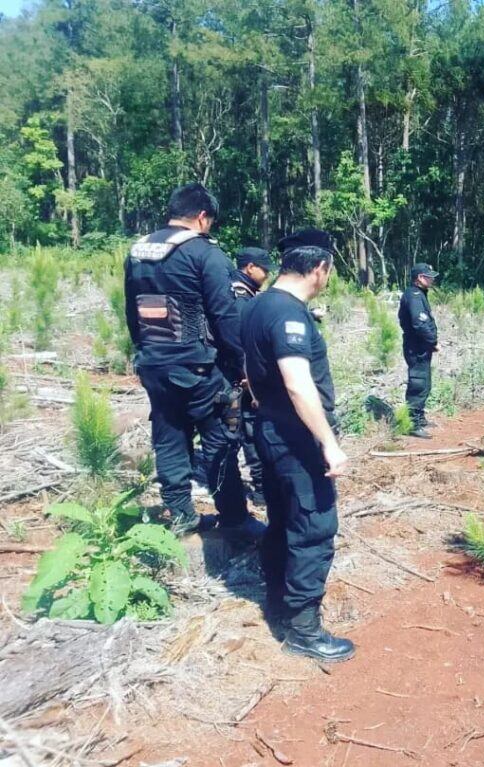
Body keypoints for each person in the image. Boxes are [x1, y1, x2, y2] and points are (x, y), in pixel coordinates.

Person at [124, 182, 264, 540]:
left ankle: (181, 516)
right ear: (202, 217)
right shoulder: (204, 253)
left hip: (154, 363)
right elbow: (225, 317)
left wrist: (145, 353)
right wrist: (243, 364)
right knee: (219, 441)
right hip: (198, 367)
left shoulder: (138, 251)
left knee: (169, 437)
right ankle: (234, 518)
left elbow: (132, 312)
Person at [241, 228, 354, 661]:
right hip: (296, 438)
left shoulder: (258, 304)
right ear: (319, 268)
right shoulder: (288, 314)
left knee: (283, 522)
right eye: (329, 270)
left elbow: (252, 371)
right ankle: (305, 631)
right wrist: (328, 442)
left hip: (268, 430)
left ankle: (278, 604)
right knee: (313, 527)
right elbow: (297, 383)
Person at [230, 247, 275, 505]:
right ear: (249, 267)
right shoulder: (238, 296)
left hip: (248, 375)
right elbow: (239, 342)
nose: (267, 274)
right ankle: (260, 490)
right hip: (244, 379)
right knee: (250, 430)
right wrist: (248, 378)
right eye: (264, 269)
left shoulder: (247, 294)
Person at [398, 263, 440, 439]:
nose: (432, 279)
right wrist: (433, 341)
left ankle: (419, 417)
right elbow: (420, 323)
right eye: (428, 276)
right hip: (416, 347)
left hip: (421, 346)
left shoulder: (419, 294)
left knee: (424, 383)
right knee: (418, 383)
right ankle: (412, 424)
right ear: (420, 278)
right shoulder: (414, 296)